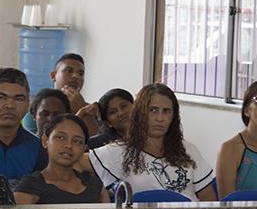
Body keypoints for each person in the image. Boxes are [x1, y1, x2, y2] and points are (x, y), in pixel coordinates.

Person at [88, 83, 217, 201]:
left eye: (166, 111)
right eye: (153, 110)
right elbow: (73, 162)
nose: (160, 118)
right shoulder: (117, 151)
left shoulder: (188, 150)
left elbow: (208, 199)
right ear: (139, 113)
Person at [0, 68, 47, 184]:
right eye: (1, 97)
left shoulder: (38, 149)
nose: (10, 105)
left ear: (28, 104)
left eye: (19, 98)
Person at [21, 53, 98, 135]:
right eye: (69, 71)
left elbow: (95, 142)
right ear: (53, 75)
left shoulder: (90, 109)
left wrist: (83, 109)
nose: (76, 76)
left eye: (80, 74)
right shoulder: (40, 107)